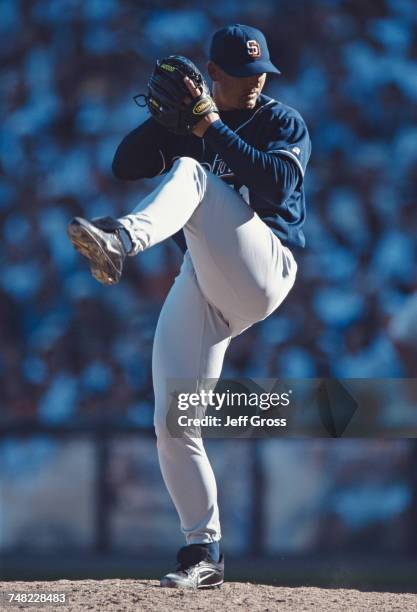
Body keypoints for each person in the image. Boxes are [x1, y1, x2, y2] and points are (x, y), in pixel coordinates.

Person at [67, 23, 311, 588]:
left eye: (261, 73)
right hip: (205, 280)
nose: (256, 82)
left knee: (194, 173)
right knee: (173, 420)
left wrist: (211, 128)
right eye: (243, 73)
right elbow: (123, 165)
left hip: (266, 266)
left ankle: (122, 240)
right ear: (215, 75)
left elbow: (275, 184)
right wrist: (166, 120)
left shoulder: (281, 121)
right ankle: (203, 554)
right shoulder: (192, 125)